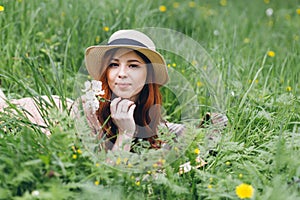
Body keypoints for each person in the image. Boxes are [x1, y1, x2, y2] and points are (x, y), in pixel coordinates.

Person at [0, 29, 227, 153]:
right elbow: (108, 176)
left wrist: (201, 130)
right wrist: (126, 134)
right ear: (106, 72)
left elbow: (163, 130)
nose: (121, 73)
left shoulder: (146, 110)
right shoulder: (90, 110)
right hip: (42, 116)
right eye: (114, 64)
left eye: (133, 66)